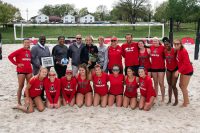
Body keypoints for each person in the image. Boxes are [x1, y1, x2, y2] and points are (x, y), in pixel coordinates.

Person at [8, 38, 33, 106]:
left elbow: (30, 61)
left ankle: (27, 99)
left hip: (29, 71)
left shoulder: (29, 51)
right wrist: (17, 64)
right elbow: (10, 57)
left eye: (28, 42)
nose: (27, 44)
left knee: (29, 86)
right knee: (21, 86)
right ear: (23, 43)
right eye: (25, 42)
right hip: (21, 71)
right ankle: (19, 102)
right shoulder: (19, 51)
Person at [174, 39, 193, 107]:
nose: (176, 45)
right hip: (183, 71)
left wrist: (178, 71)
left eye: (178, 44)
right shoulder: (178, 50)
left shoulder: (183, 51)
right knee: (180, 85)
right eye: (175, 44)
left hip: (187, 71)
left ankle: (185, 103)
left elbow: (186, 64)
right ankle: (187, 100)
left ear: (181, 44)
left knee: (183, 87)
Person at [163, 37, 178, 106]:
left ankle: (176, 100)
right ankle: (169, 99)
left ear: (170, 44)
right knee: (169, 85)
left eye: (168, 44)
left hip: (175, 69)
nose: (167, 46)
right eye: (165, 45)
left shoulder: (174, 50)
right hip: (168, 69)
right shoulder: (164, 51)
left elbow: (180, 57)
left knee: (173, 85)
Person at [150, 37, 165, 102]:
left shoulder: (162, 47)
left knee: (161, 83)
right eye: (153, 41)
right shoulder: (151, 47)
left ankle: (163, 97)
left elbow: (166, 55)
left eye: (156, 41)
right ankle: (156, 96)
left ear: (159, 41)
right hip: (153, 68)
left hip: (161, 68)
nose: (155, 42)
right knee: (155, 83)